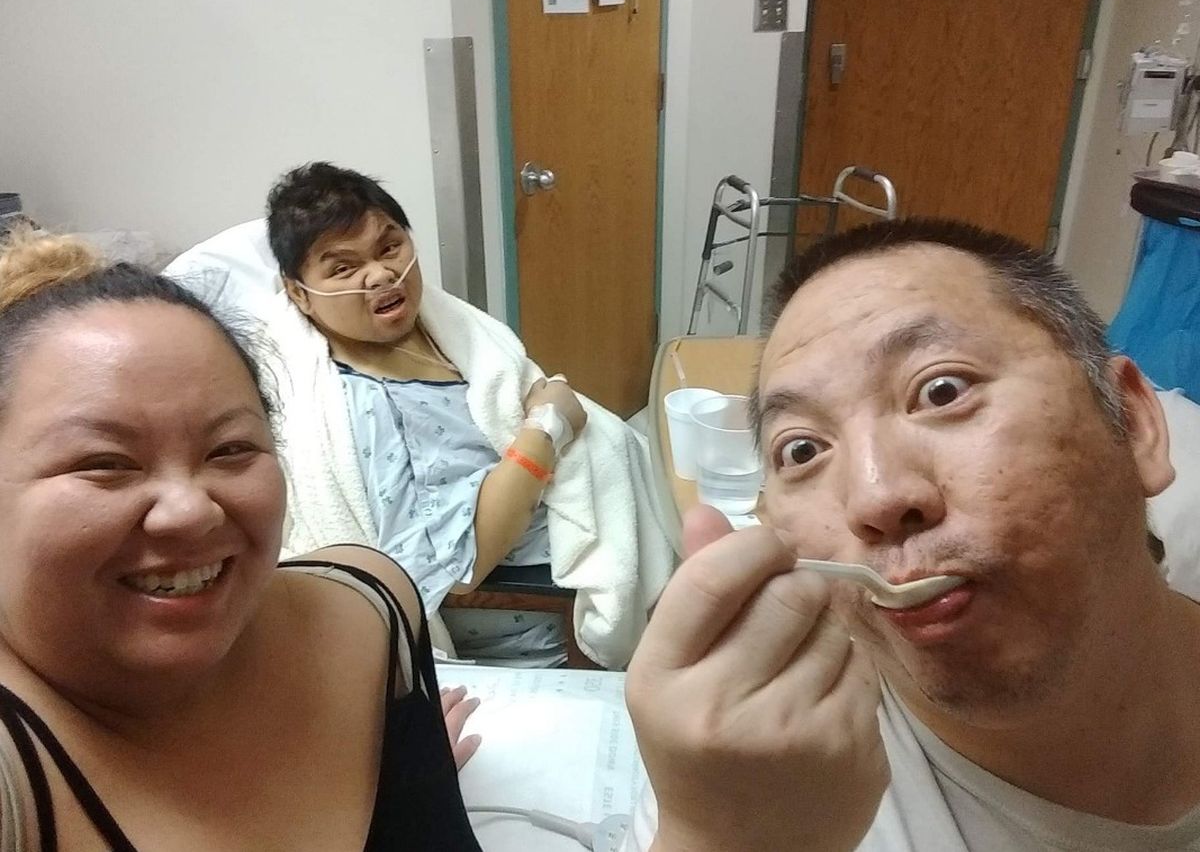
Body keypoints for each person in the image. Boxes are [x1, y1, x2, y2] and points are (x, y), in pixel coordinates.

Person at [0, 228, 851, 850]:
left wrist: (390, 762)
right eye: (103, 463)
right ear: (301, 295)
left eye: (231, 449)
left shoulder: (367, 613)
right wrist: (545, 431)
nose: (190, 510)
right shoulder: (19, 774)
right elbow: (463, 543)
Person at [622, 218, 1200, 850]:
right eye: (803, 450)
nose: (875, 498)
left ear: (1133, 422)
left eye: (942, 391)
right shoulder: (752, 782)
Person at [264, 162, 672, 667]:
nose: (382, 274)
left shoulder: (431, 324)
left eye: (389, 247)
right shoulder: (370, 410)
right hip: (548, 610)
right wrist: (548, 425)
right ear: (299, 293)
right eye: (343, 268)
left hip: (621, 499)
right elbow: (462, 562)